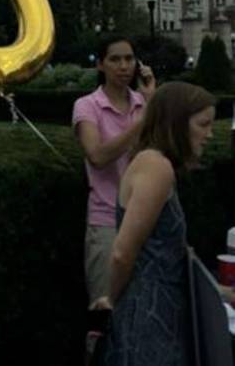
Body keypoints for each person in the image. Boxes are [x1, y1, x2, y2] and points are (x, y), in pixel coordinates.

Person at [99, 82, 217, 365]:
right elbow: (122, 253)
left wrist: (219, 291)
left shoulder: (157, 164)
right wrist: (110, 301)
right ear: (176, 123)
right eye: (203, 124)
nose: (210, 134)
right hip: (148, 321)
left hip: (157, 314)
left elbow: (168, 254)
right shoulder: (156, 167)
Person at [73, 36, 155, 309]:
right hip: (106, 220)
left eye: (129, 59)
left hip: (144, 220)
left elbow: (160, 158)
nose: (124, 66)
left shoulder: (144, 104)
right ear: (100, 65)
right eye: (115, 59)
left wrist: (152, 103)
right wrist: (141, 124)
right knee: (104, 312)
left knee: (143, 310)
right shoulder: (87, 106)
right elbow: (97, 156)